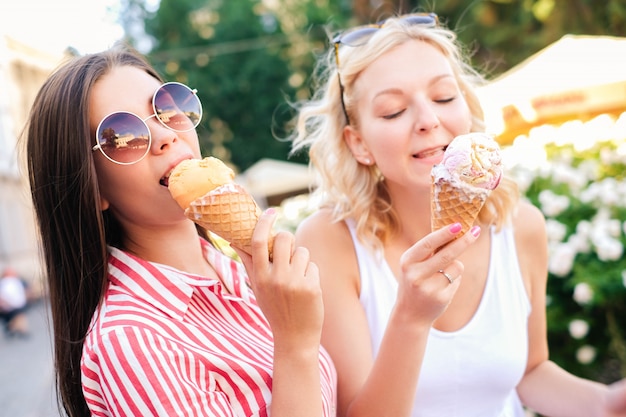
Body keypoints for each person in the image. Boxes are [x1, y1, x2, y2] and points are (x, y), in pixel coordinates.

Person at [289, 12, 626, 417]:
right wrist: (411, 319)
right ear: (359, 144)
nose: (429, 121)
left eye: (444, 97)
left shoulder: (521, 226)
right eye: (394, 111)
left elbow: (530, 372)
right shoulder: (330, 243)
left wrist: (607, 403)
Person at [24, 43, 336, 417]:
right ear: (93, 189)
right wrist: (296, 345)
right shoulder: (131, 342)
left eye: (168, 106)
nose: (164, 135)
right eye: (121, 135)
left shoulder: (241, 276)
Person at [0, 266, 30, 337]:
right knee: (19, 316)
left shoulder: (17, 281)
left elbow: (27, 290)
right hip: (8, 306)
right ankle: (20, 329)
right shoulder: (4, 283)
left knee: (19, 316)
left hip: (17, 304)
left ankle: (13, 327)